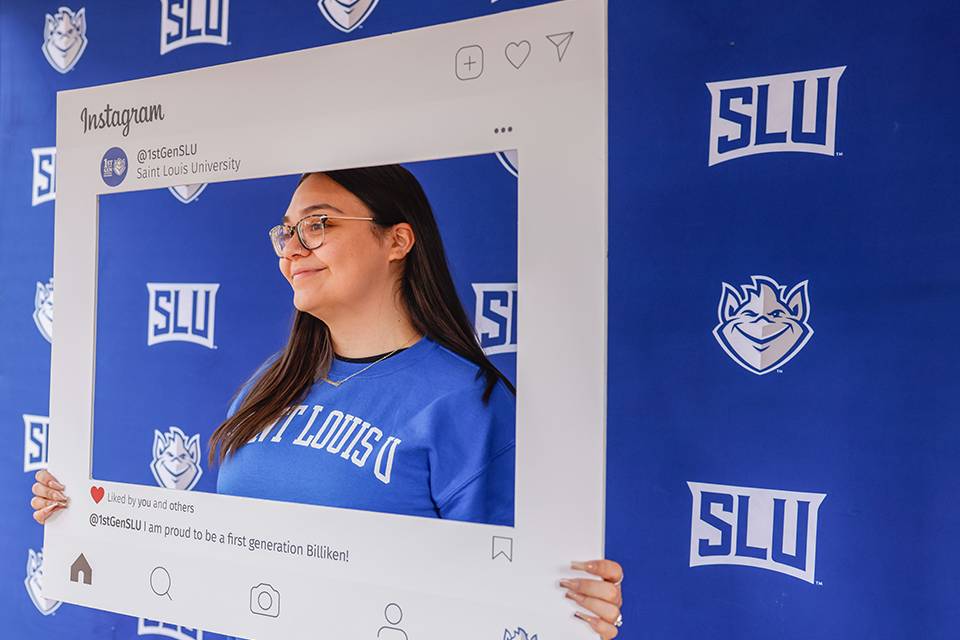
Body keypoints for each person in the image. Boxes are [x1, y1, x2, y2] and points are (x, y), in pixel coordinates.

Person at [31, 164, 624, 638]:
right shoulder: (271, 382)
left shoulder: (469, 402)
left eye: (318, 225)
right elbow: (214, 550)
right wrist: (81, 517)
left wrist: (567, 612)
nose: (292, 248)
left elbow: (505, 598)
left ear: (397, 239)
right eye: (286, 231)